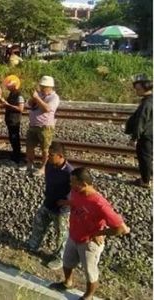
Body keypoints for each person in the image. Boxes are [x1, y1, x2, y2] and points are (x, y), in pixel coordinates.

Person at [49, 167, 130, 300]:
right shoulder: (77, 192)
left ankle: (88, 296)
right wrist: (67, 203)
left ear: (84, 184)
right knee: (67, 262)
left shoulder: (100, 204)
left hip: (89, 243)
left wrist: (99, 233)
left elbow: (120, 228)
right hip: (74, 236)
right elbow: (77, 203)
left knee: (90, 273)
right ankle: (67, 282)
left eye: (73, 182)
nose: (70, 185)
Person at [27, 142, 73, 270]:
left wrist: (65, 203)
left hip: (61, 210)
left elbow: (77, 195)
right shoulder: (49, 165)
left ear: (60, 156)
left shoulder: (70, 173)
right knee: (39, 223)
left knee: (61, 234)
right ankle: (33, 245)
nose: (48, 157)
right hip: (48, 203)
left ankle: (60, 257)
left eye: (51, 155)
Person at [24, 75, 60, 176]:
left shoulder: (54, 97)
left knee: (45, 149)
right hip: (33, 125)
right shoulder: (39, 94)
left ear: (50, 87)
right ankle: (30, 164)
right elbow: (29, 105)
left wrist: (37, 98)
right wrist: (33, 97)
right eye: (41, 86)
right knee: (29, 146)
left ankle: (44, 167)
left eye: (44, 86)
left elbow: (47, 109)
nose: (42, 88)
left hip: (45, 126)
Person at [125, 73, 152, 188]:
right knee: (147, 156)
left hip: (146, 135)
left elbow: (141, 122)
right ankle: (147, 177)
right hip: (150, 132)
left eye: (138, 89)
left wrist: (134, 138)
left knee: (144, 157)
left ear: (145, 89)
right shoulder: (150, 100)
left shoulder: (147, 103)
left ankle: (145, 181)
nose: (136, 91)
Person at [0, 75, 24, 165]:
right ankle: (15, 154)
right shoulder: (11, 94)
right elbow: (8, 105)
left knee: (15, 138)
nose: (7, 86)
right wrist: (4, 103)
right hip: (9, 119)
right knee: (12, 138)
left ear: (14, 85)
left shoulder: (19, 95)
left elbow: (21, 109)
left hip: (15, 120)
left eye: (9, 85)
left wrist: (8, 105)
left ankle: (17, 156)